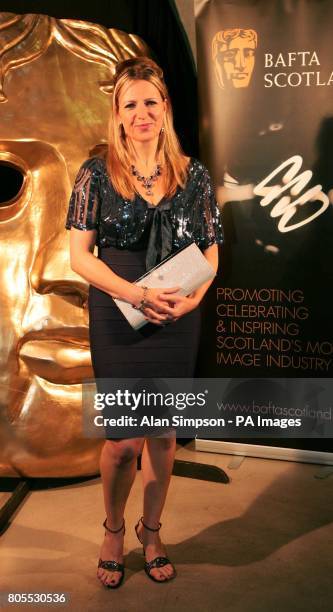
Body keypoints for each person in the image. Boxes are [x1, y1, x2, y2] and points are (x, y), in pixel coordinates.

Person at [65, 57, 224, 588]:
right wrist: (134, 293)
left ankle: (151, 532)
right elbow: (80, 258)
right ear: (117, 113)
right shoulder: (95, 173)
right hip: (117, 307)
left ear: (165, 108)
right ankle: (113, 529)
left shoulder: (194, 175)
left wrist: (192, 301)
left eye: (150, 102)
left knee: (163, 437)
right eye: (130, 104)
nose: (141, 113)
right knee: (121, 441)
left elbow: (211, 251)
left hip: (177, 313)